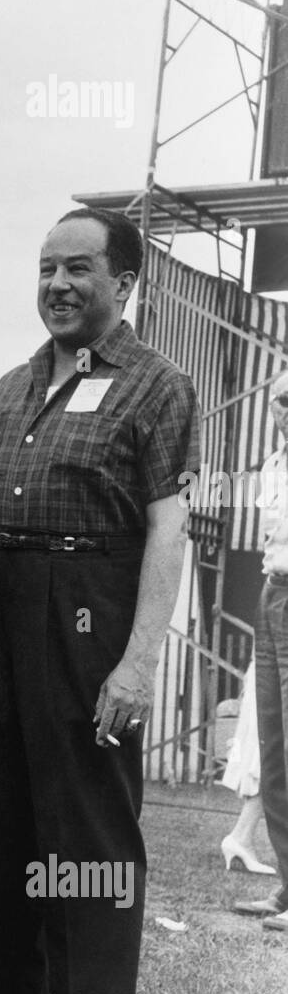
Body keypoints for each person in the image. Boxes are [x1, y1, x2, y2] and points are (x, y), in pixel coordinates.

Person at [0, 207, 199, 994]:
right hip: (0, 605)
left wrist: (136, 661)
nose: (57, 284)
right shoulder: (10, 387)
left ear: (125, 284)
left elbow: (168, 531)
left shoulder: (156, 386)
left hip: (88, 605)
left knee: (87, 821)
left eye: (78, 269)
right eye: (47, 267)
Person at [236, 370, 288, 931]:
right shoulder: (274, 465)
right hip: (272, 596)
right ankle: (286, 885)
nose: (284, 412)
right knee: (273, 751)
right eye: (279, 403)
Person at [220, 658, 275, 876]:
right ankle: (241, 837)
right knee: (267, 756)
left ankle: (242, 836)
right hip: (273, 673)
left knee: (268, 756)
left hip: (269, 670)